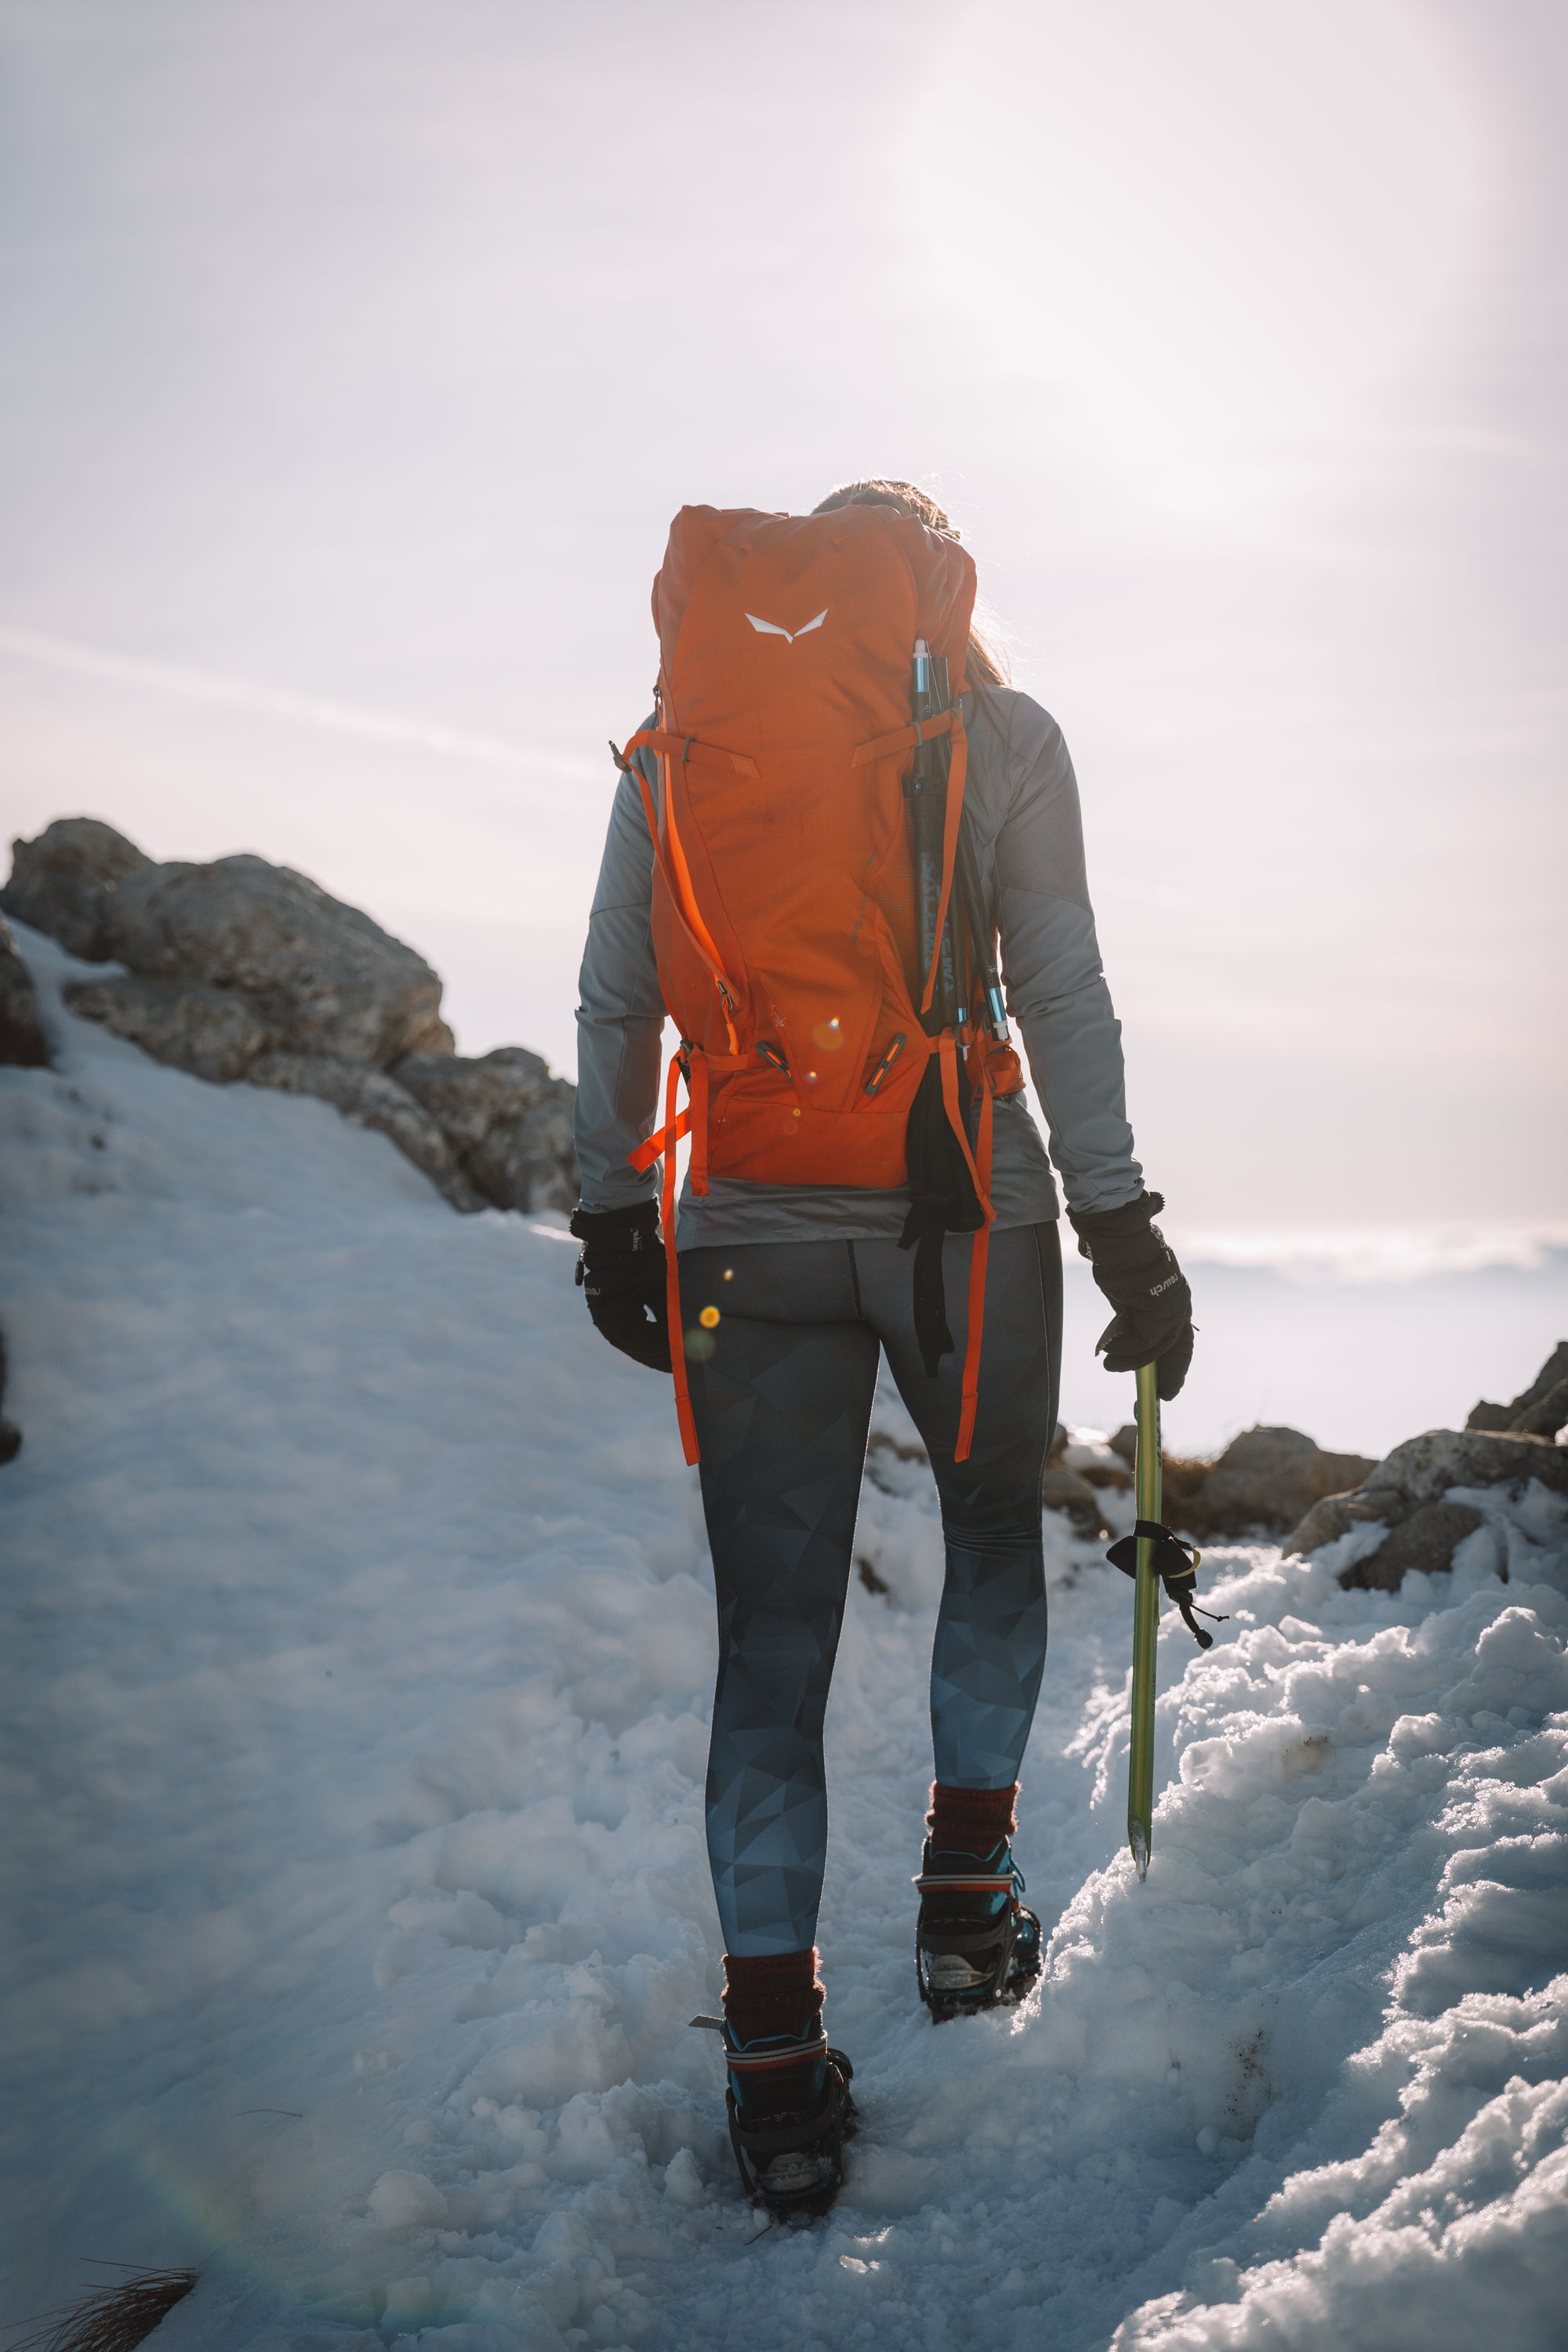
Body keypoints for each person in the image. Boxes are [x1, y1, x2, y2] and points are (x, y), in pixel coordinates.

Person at [570, 481, 1194, 2212]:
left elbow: (618, 988)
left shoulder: (674, 742)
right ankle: (962, 1912)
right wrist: (1120, 1215)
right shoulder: (1001, 736)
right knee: (992, 1528)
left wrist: (607, 1209)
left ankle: (773, 2066)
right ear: (935, 600)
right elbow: (1057, 984)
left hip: (742, 1218)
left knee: (768, 1635)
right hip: (959, 1214)